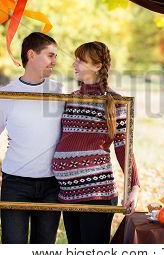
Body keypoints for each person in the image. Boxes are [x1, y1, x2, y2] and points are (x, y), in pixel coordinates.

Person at [0, 32, 63, 244]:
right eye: (50, 55)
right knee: (13, 245)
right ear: (31, 55)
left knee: (44, 247)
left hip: (52, 183)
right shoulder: (6, 94)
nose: (54, 62)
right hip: (16, 183)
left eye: (56, 57)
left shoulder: (59, 92)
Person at [51, 41, 140, 244]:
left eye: (81, 60)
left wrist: (134, 186)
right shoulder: (70, 98)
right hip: (68, 191)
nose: (75, 64)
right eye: (76, 59)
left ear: (98, 66)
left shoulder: (116, 101)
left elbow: (123, 146)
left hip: (96, 192)